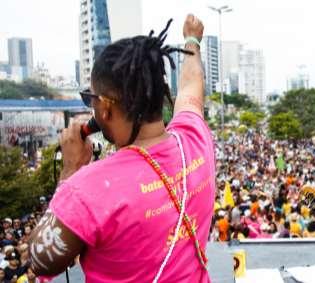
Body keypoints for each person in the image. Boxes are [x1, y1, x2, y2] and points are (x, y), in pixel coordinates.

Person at [28, 14, 216, 282]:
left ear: (104, 108)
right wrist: (191, 40)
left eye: (89, 98)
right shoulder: (194, 138)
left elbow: (39, 260)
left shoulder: (87, 188)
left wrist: (70, 169)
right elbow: (191, 87)